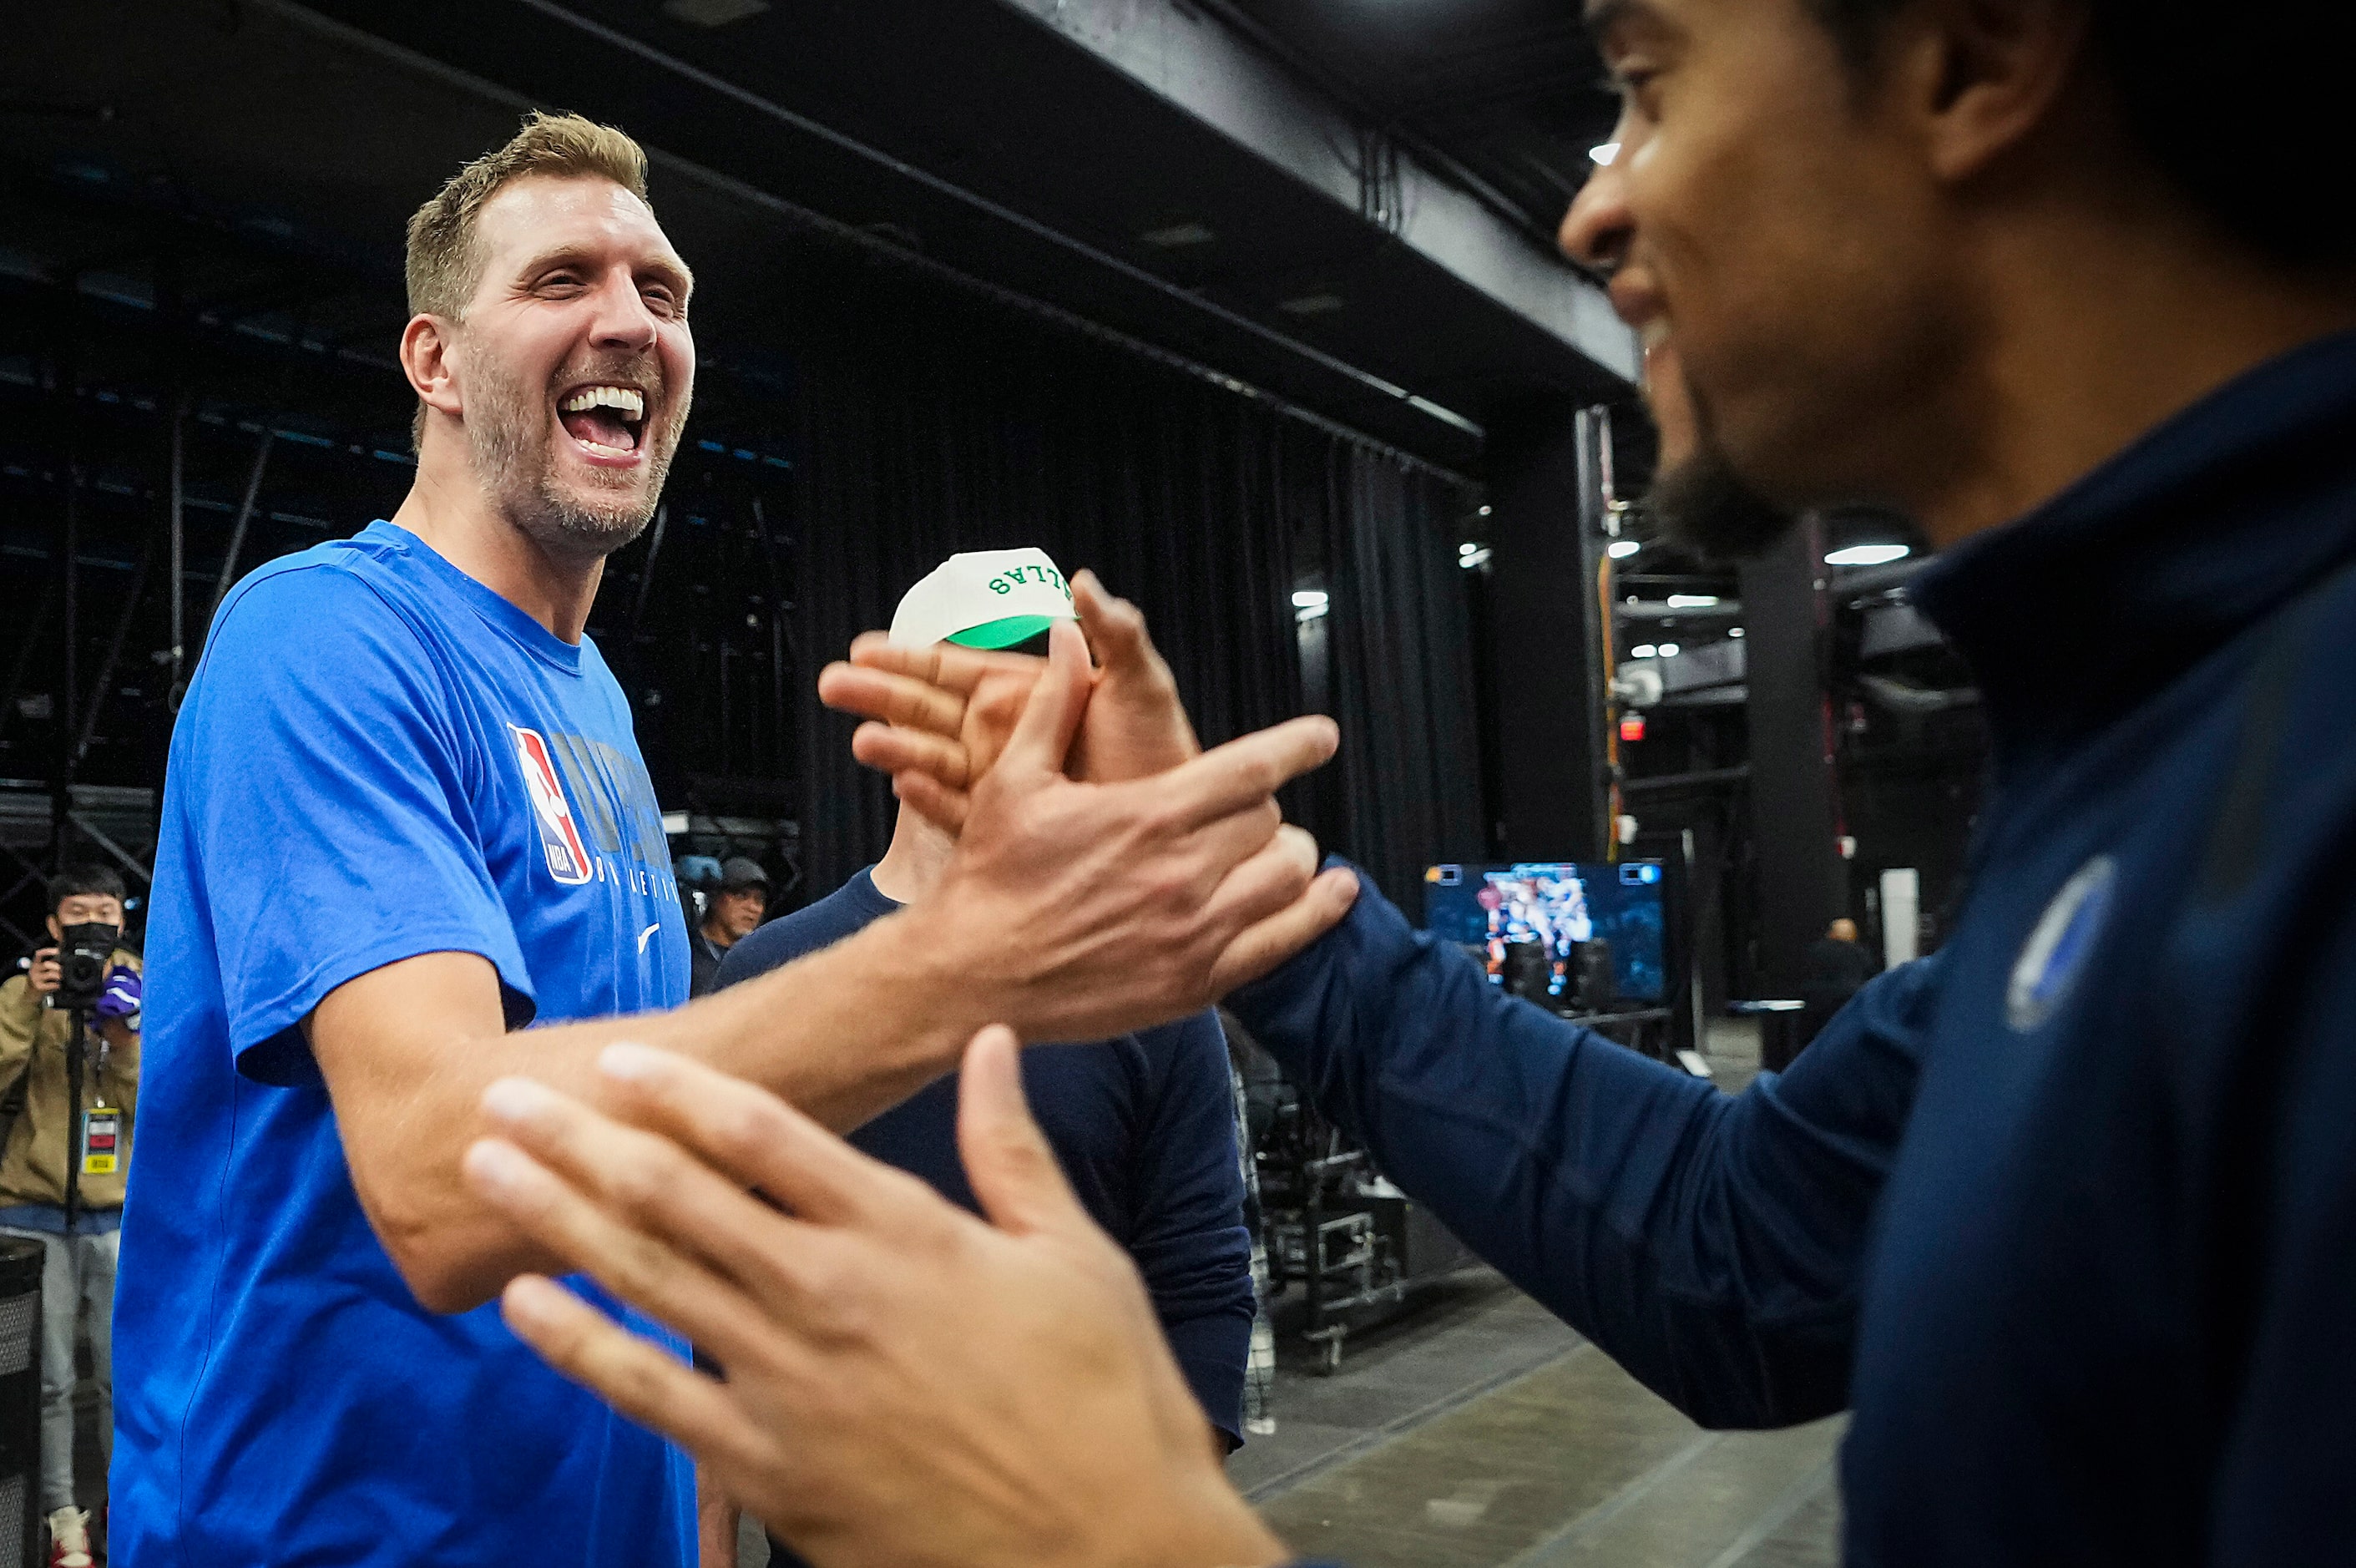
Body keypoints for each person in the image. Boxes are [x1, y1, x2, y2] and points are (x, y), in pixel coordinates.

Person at [452, 0, 2356, 1564]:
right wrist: (1228, 879)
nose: (1599, 210)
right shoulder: (2155, 752)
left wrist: (1127, 1534)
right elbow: (1740, 1242)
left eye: (1644, 81)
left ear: (1973, 52)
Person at [109, 109, 1336, 1568]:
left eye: (663, 290)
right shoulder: (325, 640)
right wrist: (968, 963)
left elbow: (656, 1206)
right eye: (562, 279)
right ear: (433, 361)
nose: (630, 319)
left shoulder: (590, 701)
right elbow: (440, 1179)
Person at [711, 549, 1255, 1565]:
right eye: (997, 676)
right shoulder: (769, 975)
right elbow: (711, 1329)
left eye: (1063, 681)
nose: (1041, 709)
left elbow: (1201, 1295)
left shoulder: (1145, 989)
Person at [0, 866, 142, 1568]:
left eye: (105, 910)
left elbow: (163, 1109)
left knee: (126, 1374)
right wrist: (29, 1002)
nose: (92, 922)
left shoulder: (146, 988)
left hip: (118, 1210)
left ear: (122, 920)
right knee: (51, 1383)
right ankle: (63, 1520)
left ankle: (127, 1504)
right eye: (77, 910)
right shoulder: (25, 990)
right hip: (31, 1208)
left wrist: (124, 1037)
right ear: (54, 924)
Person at [689, 857, 770, 997]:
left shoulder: (760, 960)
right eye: (742, 895)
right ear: (715, 897)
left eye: (759, 900)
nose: (753, 907)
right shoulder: (687, 953)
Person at [1798, 917, 1878, 1050]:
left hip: (1818, 1009)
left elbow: (1805, 976)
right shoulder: (1860, 953)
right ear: (1853, 936)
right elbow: (1872, 977)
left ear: (1831, 934)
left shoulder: (1816, 951)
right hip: (1852, 1005)